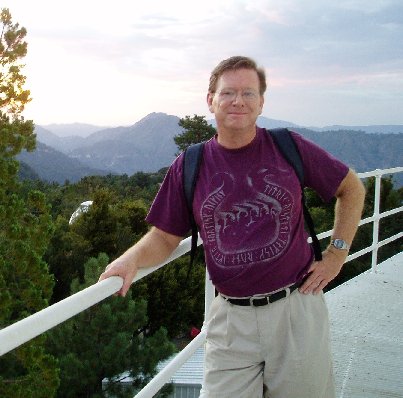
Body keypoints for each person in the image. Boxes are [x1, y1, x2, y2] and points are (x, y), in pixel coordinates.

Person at [99, 56, 366, 397]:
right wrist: (131, 260)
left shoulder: (289, 147)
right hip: (230, 321)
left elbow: (351, 187)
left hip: (295, 310)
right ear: (210, 100)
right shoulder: (191, 164)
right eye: (227, 93)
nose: (238, 101)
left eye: (248, 93)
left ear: (261, 103)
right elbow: (165, 236)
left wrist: (336, 254)